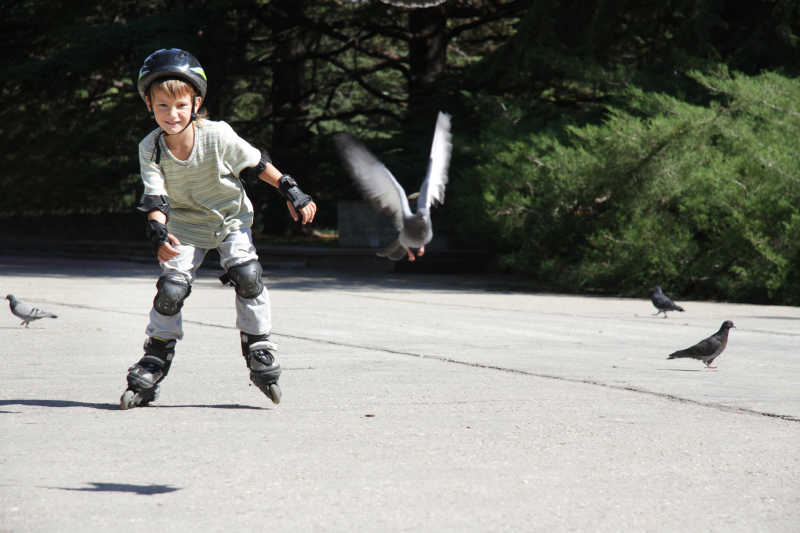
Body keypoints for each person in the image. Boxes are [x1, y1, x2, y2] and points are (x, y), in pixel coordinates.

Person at [120, 48, 316, 409]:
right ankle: (155, 356)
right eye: (162, 106)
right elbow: (155, 198)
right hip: (183, 225)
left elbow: (257, 164)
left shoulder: (217, 135)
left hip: (229, 219)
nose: (172, 114)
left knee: (247, 274)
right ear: (149, 105)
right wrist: (158, 232)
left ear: (195, 103)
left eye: (180, 106)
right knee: (171, 289)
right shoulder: (150, 147)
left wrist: (292, 190)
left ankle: (258, 345)